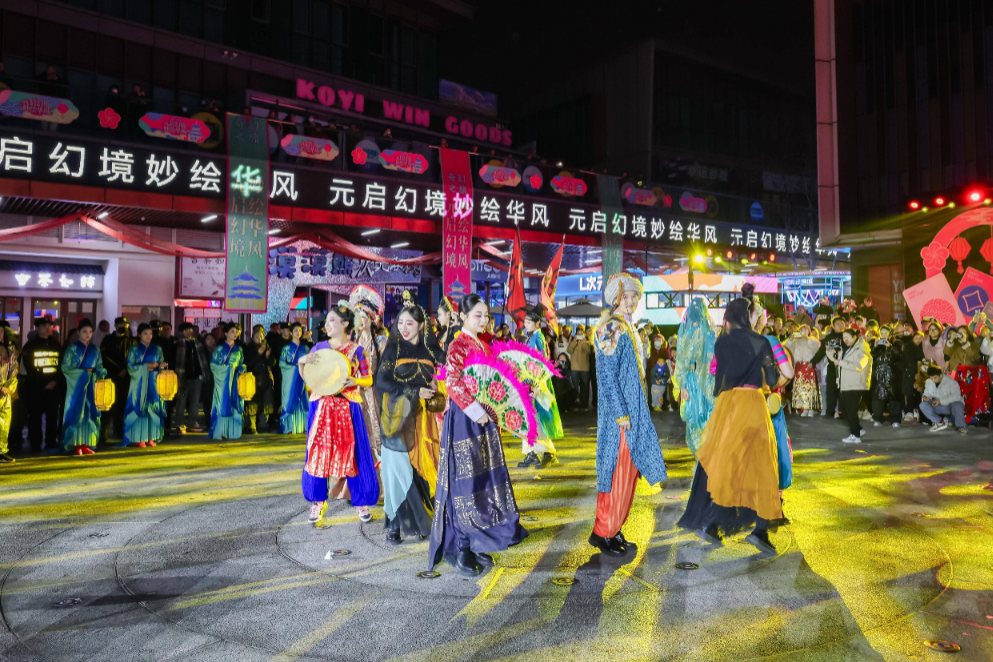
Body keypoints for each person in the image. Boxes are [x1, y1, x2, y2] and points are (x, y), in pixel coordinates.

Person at [428, 294, 528, 576]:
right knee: (464, 483)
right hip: (465, 420)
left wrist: (520, 390)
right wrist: (475, 410)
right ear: (462, 316)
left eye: (486, 315)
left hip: (485, 421)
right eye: (477, 315)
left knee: (483, 480)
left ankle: (478, 539)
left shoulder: (484, 344)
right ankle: (461, 547)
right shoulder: (457, 345)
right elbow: (453, 382)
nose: (483, 320)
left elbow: (499, 379)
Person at [677, 294, 781, 555]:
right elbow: (772, 379)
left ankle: (713, 523)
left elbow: (718, 379)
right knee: (762, 464)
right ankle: (760, 530)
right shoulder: (760, 341)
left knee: (725, 463)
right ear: (748, 316)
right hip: (751, 403)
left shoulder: (722, 342)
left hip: (726, 403)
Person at [589, 274, 668, 557]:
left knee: (628, 473)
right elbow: (606, 376)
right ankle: (603, 531)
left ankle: (614, 527)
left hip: (633, 413)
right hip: (620, 419)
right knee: (615, 472)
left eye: (635, 296)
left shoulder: (626, 326)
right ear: (615, 298)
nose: (632, 301)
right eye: (626, 296)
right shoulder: (611, 327)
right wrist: (621, 413)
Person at [299, 303, 379, 524]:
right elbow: (309, 378)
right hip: (322, 405)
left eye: (332, 320)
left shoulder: (357, 350)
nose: (327, 325)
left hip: (347, 406)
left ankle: (360, 500)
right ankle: (318, 501)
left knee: (354, 453)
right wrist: (301, 362)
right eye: (326, 321)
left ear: (345, 323)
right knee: (318, 453)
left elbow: (369, 379)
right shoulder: (318, 348)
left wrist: (356, 381)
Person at [375, 300, 440, 545]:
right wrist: (414, 390)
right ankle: (397, 525)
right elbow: (381, 383)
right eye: (400, 322)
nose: (403, 327)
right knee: (396, 472)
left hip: (422, 421)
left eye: (409, 323)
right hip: (395, 419)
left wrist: (435, 384)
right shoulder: (393, 350)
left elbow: (437, 377)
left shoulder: (429, 352)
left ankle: (419, 520)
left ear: (421, 325)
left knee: (419, 470)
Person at [672, 298, 716, 458]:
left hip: (692, 382)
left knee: (695, 420)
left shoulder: (687, 335)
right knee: (708, 417)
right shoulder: (711, 334)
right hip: (709, 382)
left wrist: (682, 386)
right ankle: (708, 455)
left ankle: (701, 456)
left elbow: (682, 363)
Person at [519, 307, 561, 468]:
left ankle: (549, 453)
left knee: (538, 419)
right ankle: (532, 453)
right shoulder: (530, 337)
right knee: (529, 418)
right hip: (529, 381)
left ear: (537, 323)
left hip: (537, 383)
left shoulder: (539, 337)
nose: (526, 324)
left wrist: (536, 385)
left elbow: (543, 362)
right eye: (525, 322)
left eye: (529, 322)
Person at [351, 287, 385, 473]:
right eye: (356, 316)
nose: (359, 320)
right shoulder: (351, 343)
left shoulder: (380, 342)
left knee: (374, 431)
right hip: (353, 393)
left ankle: (378, 478)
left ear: (371, 319)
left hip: (372, 393)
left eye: (362, 316)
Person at [61, 319, 107, 456]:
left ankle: (87, 443)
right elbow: (65, 368)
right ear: (78, 332)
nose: (88, 334)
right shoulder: (72, 349)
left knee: (89, 414)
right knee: (77, 413)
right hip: (77, 387)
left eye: (90, 332)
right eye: (84, 331)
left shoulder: (95, 350)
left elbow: (99, 366)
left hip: (91, 386)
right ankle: (76, 444)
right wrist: (84, 373)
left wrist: (100, 372)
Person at [122, 323, 166, 448]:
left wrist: (161, 366)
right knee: (139, 406)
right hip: (139, 382)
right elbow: (131, 367)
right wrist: (147, 366)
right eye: (145, 333)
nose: (148, 336)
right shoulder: (134, 349)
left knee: (153, 407)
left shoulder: (157, 348)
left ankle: (151, 436)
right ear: (139, 335)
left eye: (150, 334)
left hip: (153, 381)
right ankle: (138, 437)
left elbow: (160, 363)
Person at [21, 318, 62, 453]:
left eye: (49, 325)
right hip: (36, 388)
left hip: (53, 388)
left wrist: (54, 381)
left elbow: (61, 366)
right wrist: (44, 383)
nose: (48, 328)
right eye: (44, 326)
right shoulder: (30, 346)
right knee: (35, 418)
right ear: (37, 328)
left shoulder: (56, 345)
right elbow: (29, 367)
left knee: (52, 417)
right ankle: (35, 444)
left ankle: (51, 442)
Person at [833, 328, 872, 444]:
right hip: (846, 384)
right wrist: (831, 352)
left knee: (850, 410)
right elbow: (837, 361)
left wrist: (841, 363)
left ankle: (855, 435)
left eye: (847, 337)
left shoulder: (862, 348)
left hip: (856, 383)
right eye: (843, 338)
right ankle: (858, 429)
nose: (845, 340)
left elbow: (859, 365)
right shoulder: (848, 348)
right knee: (844, 408)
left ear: (855, 337)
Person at [100, 317, 135, 440]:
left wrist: (125, 369)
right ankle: (103, 432)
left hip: (126, 377)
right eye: (121, 324)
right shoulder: (108, 340)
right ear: (115, 326)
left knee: (123, 404)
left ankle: (120, 431)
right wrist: (117, 370)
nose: (123, 326)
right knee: (108, 405)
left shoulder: (132, 341)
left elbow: (134, 357)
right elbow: (104, 356)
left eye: (126, 324)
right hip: (111, 376)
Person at [210, 323, 246, 441]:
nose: (235, 334)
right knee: (222, 404)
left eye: (236, 332)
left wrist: (240, 368)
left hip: (235, 381)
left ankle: (233, 432)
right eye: (232, 332)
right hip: (222, 382)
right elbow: (213, 365)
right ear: (225, 334)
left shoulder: (239, 349)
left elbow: (241, 364)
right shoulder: (219, 349)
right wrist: (227, 369)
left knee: (234, 403)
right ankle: (221, 432)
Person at [174, 323, 208, 434]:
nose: (189, 332)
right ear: (181, 332)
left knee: (195, 402)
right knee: (181, 402)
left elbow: (203, 359)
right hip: (183, 377)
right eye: (186, 330)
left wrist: (204, 374)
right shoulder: (178, 344)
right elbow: (176, 361)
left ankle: (192, 423)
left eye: (190, 329)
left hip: (196, 377)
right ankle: (179, 424)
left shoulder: (198, 343)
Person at [810, 316, 846, 417]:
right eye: (838, 324)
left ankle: (842, 411)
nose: (840, 325)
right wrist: (813, 361)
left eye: (842, 324)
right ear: (833, 326)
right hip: (832, 367)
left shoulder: (847, 336)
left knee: (843, 390)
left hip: (844, 366)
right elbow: (821, 351)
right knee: (831, 389)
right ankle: (830, 411)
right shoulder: (829, 338)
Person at [278, 323, 309, 434]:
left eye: (300, 330)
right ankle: (288, 428)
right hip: (290, 379)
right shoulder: (286, 348)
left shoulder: (305, 348)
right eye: (296, 330)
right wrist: (295, 367)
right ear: (291, 332)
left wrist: (303, 367)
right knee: (289, 399)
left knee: (303, 400)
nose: (298, 332)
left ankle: (303, 426)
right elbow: (281, 364)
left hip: (302, 378)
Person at [243, 326, 275, 434]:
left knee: (266, 403)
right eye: (257, 336)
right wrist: (259, 353)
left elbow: (272, 363)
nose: (259, 338)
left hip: (265, 378)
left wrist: (267, 356)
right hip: (253, 379)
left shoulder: (267, 347)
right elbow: (249, 363)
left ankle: (263, 425)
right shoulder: (249, 348)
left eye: (261, 336)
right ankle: (251, 426)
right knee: (252, 403)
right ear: (253, 337)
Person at [784, 325, 821, 416]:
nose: (803, 331)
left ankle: (811, 408)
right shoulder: (796, 341)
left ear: (809, 331)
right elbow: (785, 348)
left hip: (809, 365)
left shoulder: (812, 340)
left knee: (810, 387)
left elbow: (817, 347)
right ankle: (804, 408)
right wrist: (790, 339)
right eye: (801, 330)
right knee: (800, 387)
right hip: (799, 365)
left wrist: (807, 338)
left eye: (805, 329)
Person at [870, 327, 903, 428]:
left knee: (894, 398)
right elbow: (871, 357)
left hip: (892, 376)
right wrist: (875, 347)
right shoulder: (876, 344)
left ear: (890, 334)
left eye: (886, 333)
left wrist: (890, 348)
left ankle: (895, 419)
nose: (883, 335)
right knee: (878, 398)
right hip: (878, 375)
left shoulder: (896, 343)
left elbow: (899, 357)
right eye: (882, 333)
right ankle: (878, 418)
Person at [921, 366, 968, 434]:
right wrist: (926, 397)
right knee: (923, 405)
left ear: (940, 375)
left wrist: (940, 401)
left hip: (950, 406)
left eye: (935, 378)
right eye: (931, 378)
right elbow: (927, 393)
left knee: (957, 404)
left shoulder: (951, 382)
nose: (933, 380)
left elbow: (956, 397)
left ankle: (962, 426)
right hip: (938, 405)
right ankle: (938, 423)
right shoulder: (929, 382)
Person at [426, 295, 459, 365]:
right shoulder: (441, 333)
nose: (438, 318)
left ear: (448, 314)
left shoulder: (456, 334)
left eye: (440, 314)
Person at [0, 324, 17, 463]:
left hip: (4, 393)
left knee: (4, 423)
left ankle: (1, 451)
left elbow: (14, 370)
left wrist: (8, 388)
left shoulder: (9, 350)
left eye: (0, 331)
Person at [902, 330, 926, 423]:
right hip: (909, 374)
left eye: (920, 338)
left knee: (921, 393)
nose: (918, 340)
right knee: (910, 393)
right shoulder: (908, 348)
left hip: (922, 374)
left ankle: (921, 413)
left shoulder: (925, 348)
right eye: (916, 338)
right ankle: (909, 412)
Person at [567, 324, 592, 411]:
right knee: (574, 387)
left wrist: (584, 343)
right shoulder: (573, 341)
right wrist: (574, 341)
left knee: (585, 387)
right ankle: (575, 405)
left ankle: (584, 405)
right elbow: (569, 350)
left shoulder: (587, 341)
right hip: (575, 368)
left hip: (585, 368)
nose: (580, 335)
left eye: (581, 334)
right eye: (578, 333)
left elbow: (589, 352)